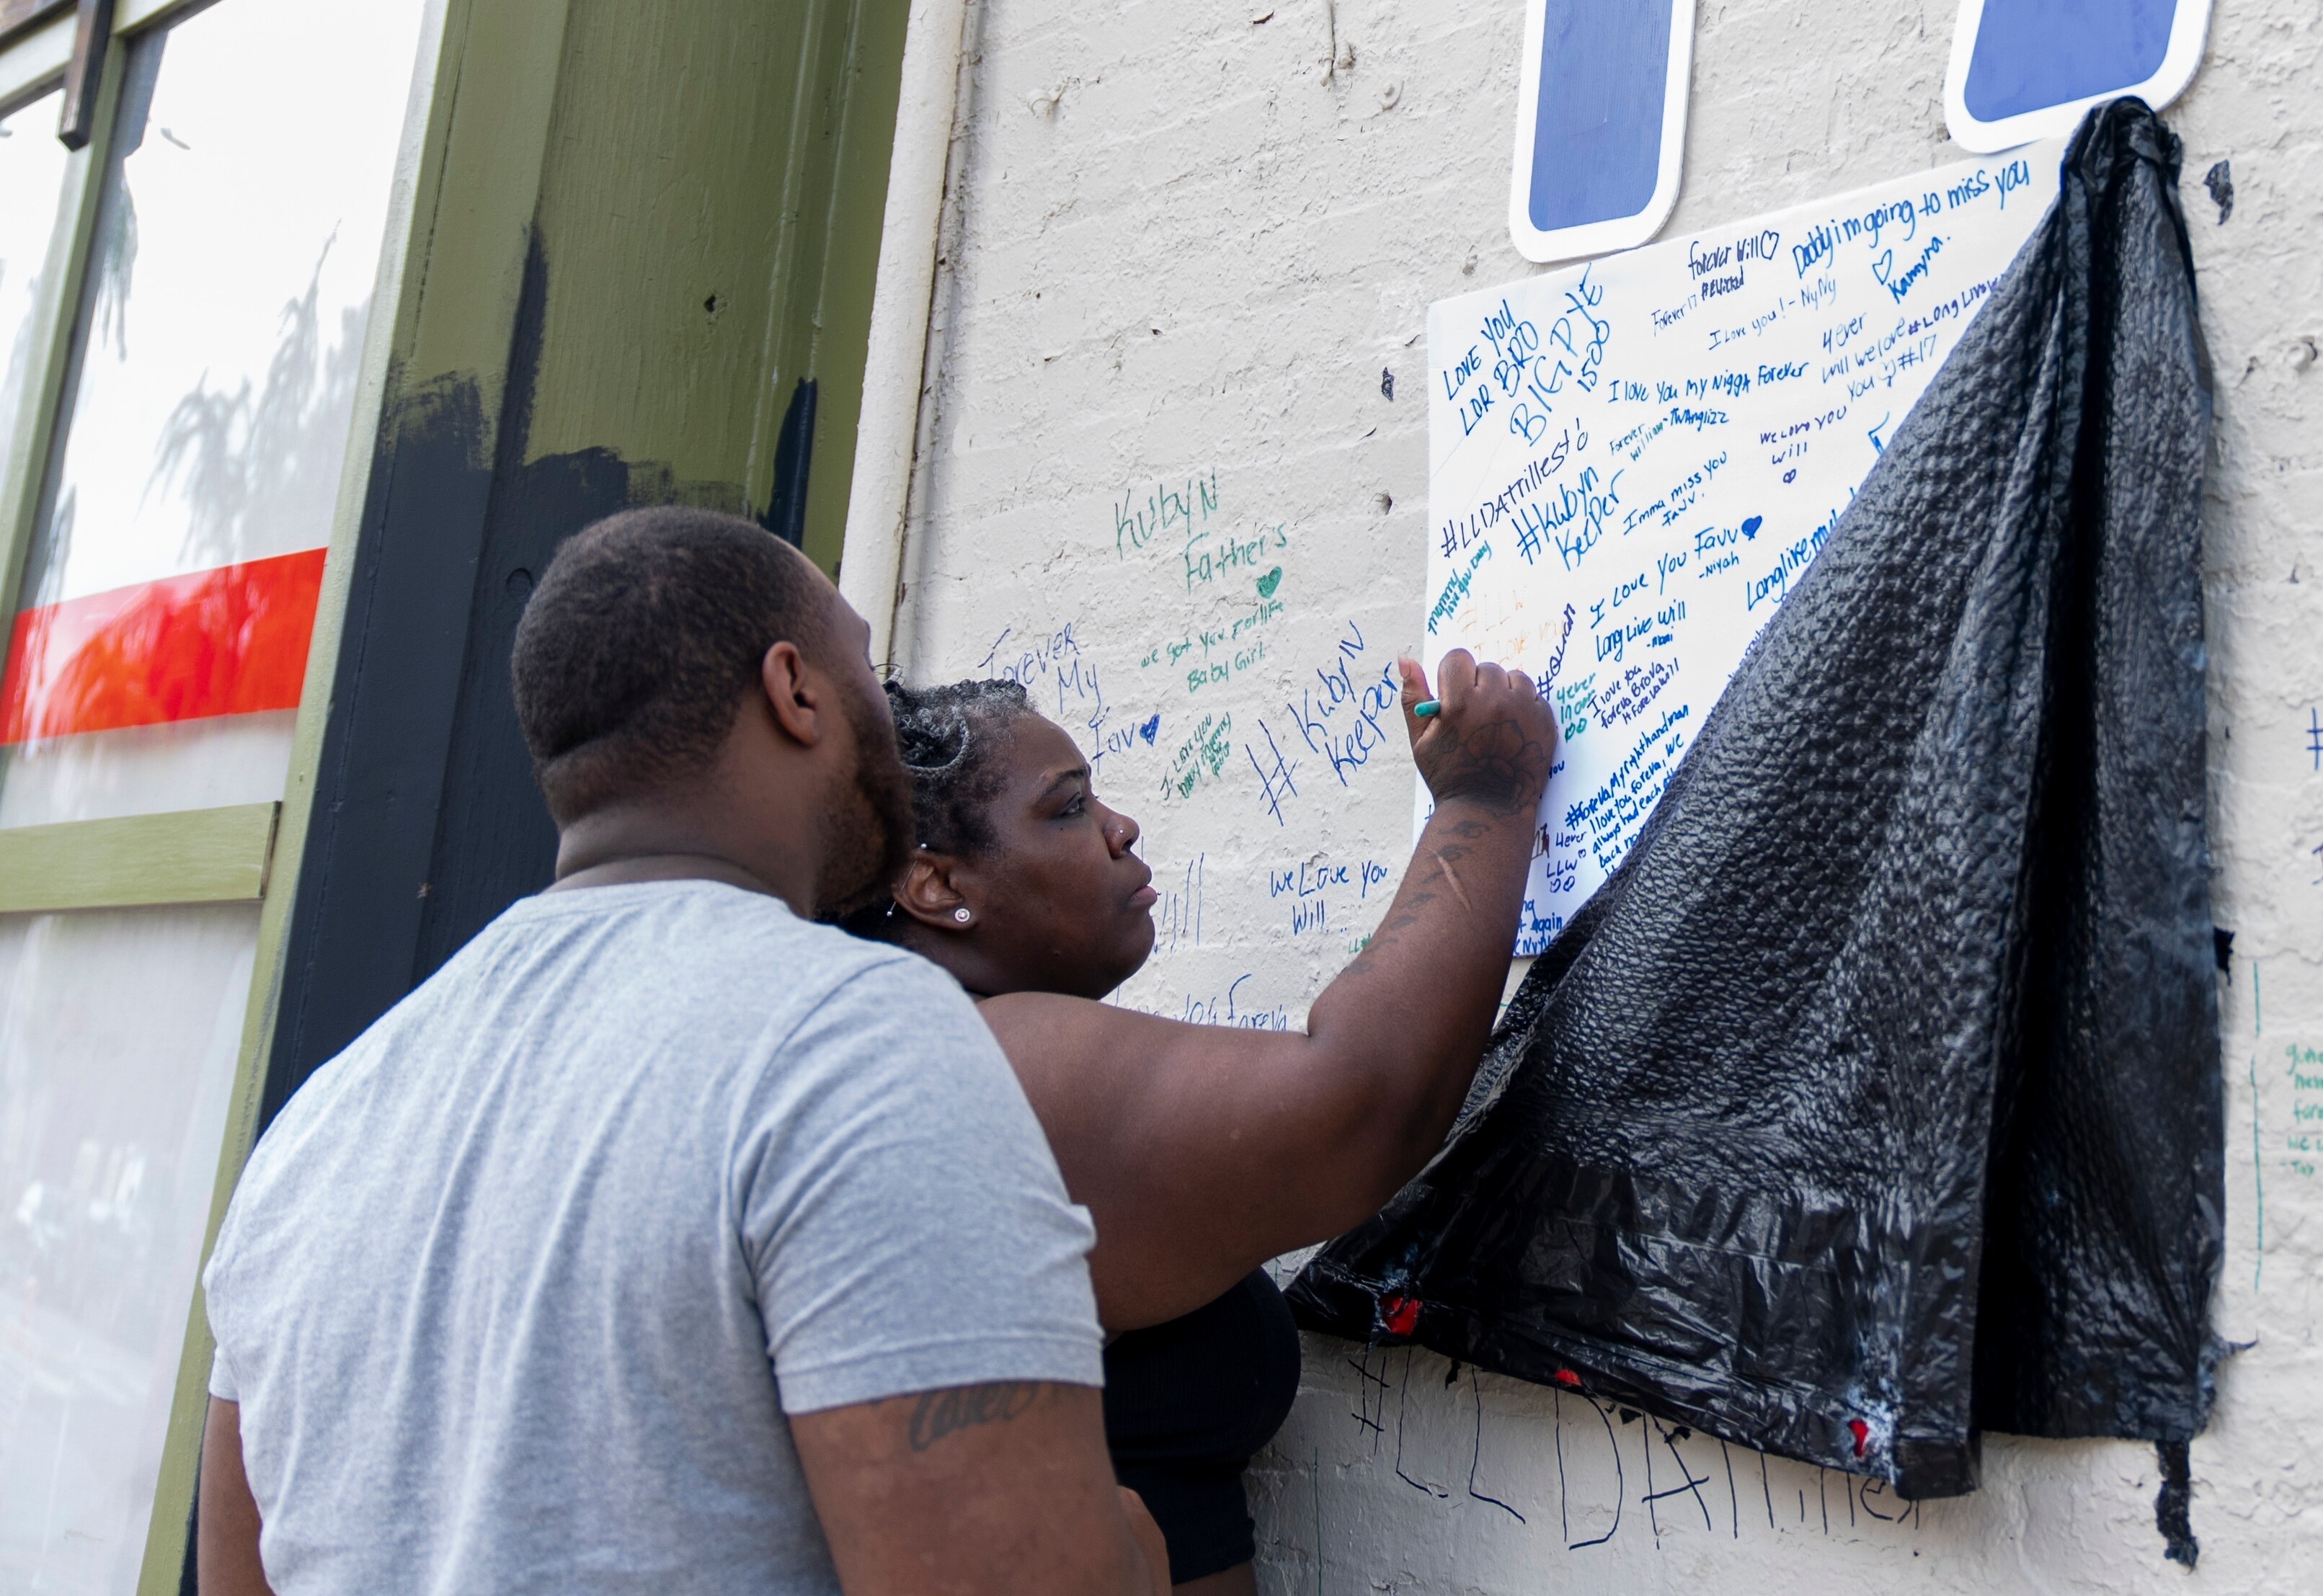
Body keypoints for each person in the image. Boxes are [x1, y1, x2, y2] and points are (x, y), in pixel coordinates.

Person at [195, 508, 1168, 1596]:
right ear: (794, 690)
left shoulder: (312, 1133)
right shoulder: (850, 1044)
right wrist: (1130, 1537)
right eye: (859, 655)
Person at [839, 649, 1554, 1592]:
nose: (1119, 827)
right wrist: (1486, 798)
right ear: (934, 887)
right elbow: (1363, 1100)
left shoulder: (923, 1054)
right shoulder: (981, 1066)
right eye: (1067, 808)